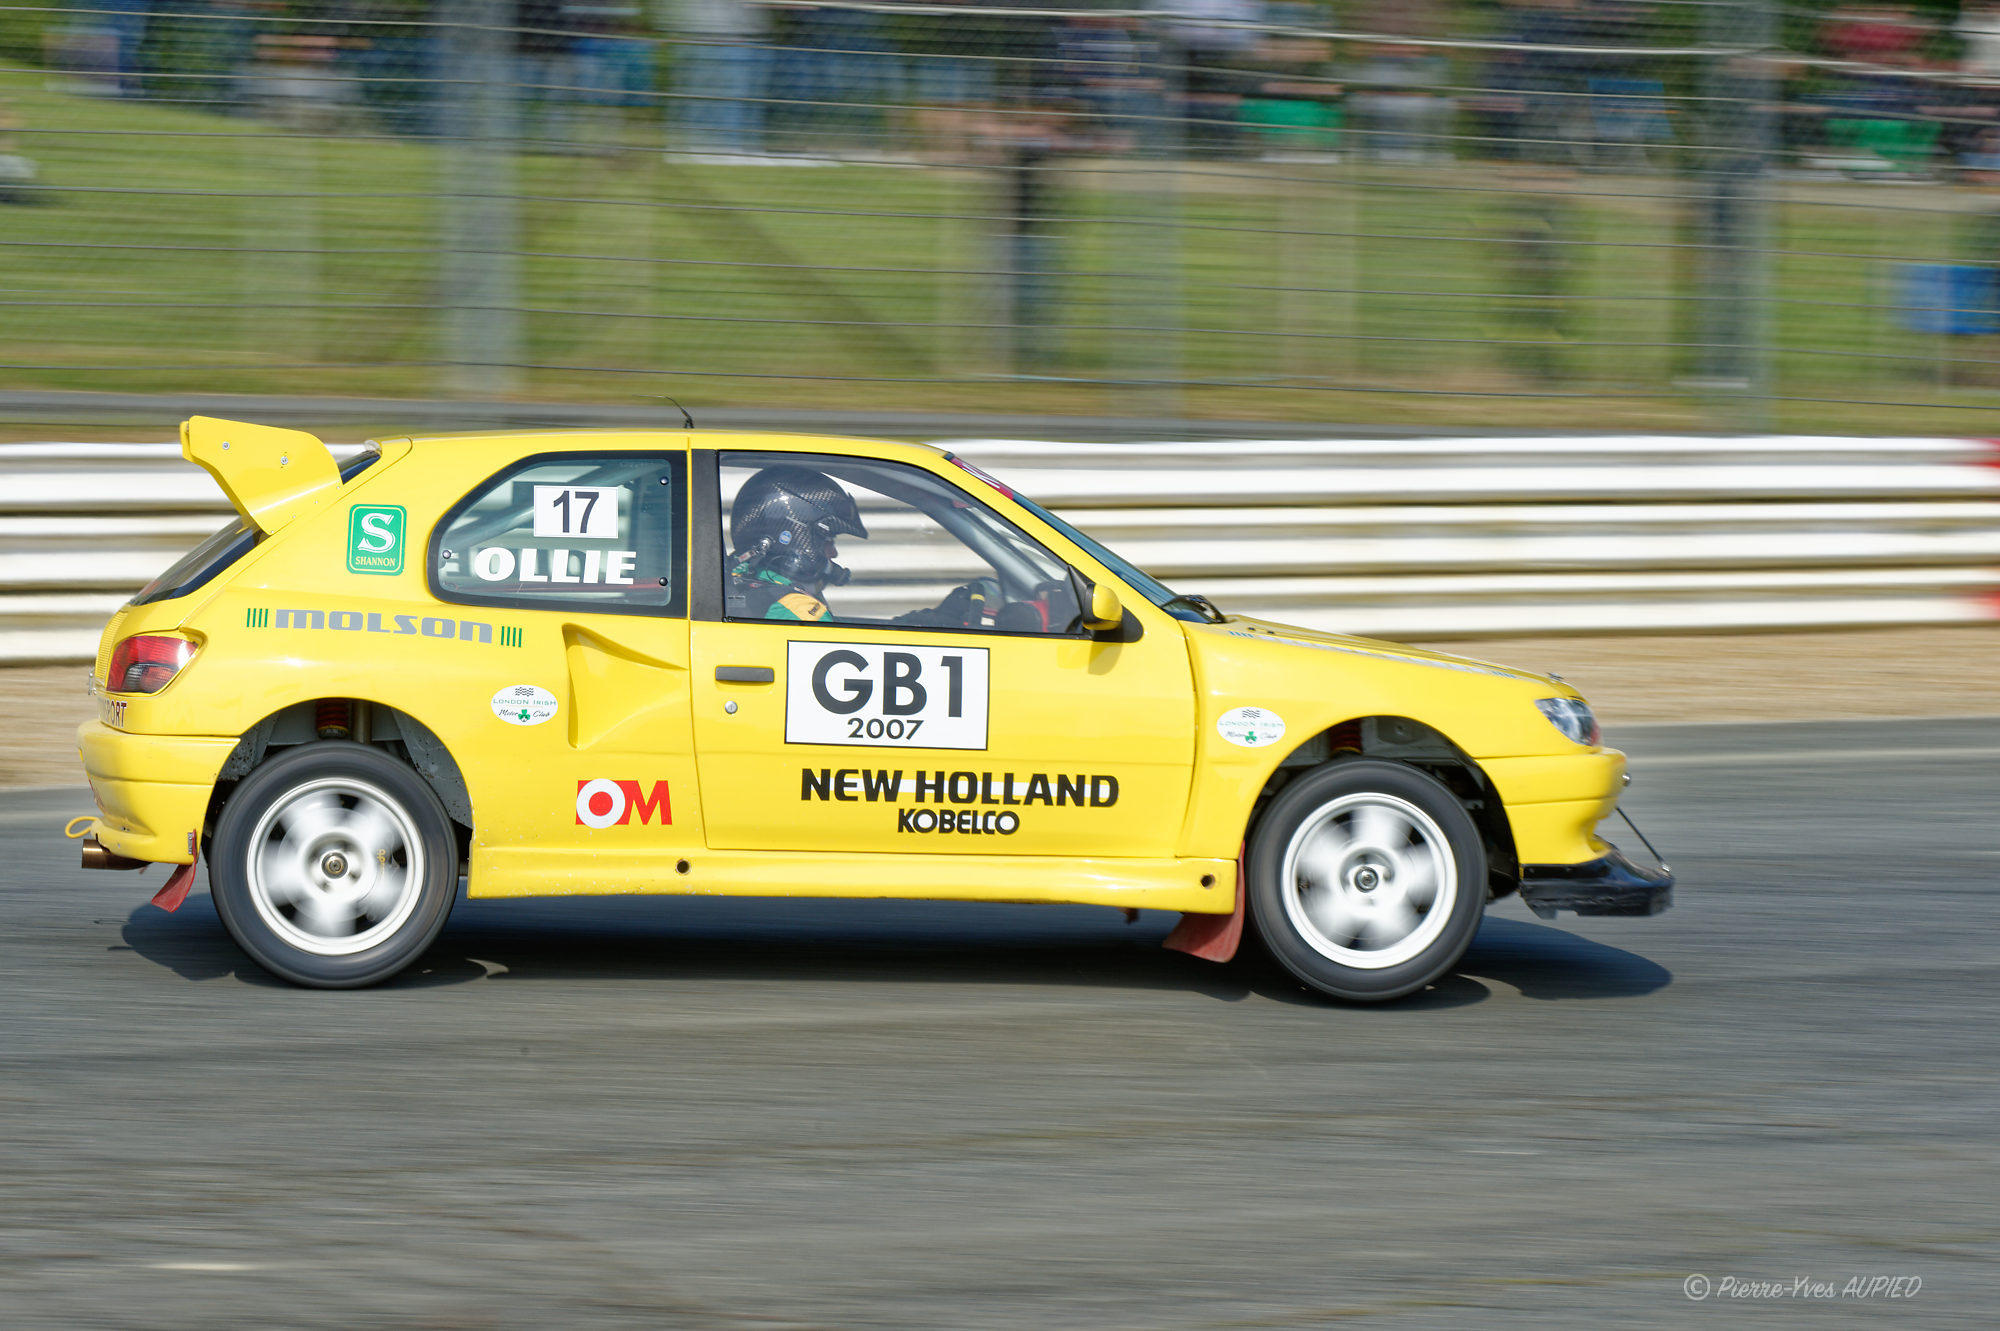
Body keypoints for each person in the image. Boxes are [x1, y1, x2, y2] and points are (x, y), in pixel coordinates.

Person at [724, 466, 994, 625]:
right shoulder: (795, 610)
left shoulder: (743, 580)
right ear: (792, 537)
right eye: (827, 541)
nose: (833, 553)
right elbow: (847, 670)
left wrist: (921, 622)